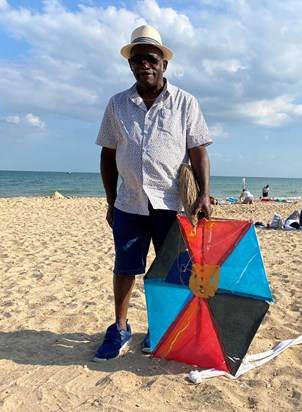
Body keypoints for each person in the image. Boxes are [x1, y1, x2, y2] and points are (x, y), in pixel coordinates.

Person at [94, 25, 212, 362]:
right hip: (129, 202)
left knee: (170, 270)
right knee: (125, 268)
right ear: (130, 65)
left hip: (171, 203)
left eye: (151, 58)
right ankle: (119, 327)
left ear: (164, 64)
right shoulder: (117, 104)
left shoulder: (185, 103)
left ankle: (161, 327)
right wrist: (110, 200)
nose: (144, 64)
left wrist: (204, 195)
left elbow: (198, 151)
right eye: (137, 59)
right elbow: (107, 153)